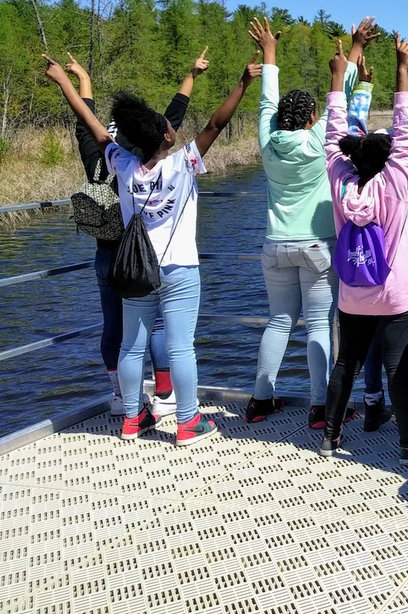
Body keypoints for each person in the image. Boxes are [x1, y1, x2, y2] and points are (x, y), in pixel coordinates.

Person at [43, 49, 262, 446]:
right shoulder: (183, 164)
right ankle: (188, 422)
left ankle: (131, 418)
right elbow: (216, 122)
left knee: (131, 345)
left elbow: (91, 124)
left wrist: (65, 84)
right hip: (179, 268)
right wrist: (244, 83)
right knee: (180, 347)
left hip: (134, 269)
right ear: (166, 135)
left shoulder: (121, 164)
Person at [319, 36, 408, 465]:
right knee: (398, 371)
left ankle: (331, 439)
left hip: (353, 293)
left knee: (345, 365)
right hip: (397, 295)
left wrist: (338, 80)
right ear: (391, 161)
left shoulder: (340, 183)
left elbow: (335, 135)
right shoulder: (394, 183)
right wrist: (402, 68)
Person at [244, 15, 371, 429]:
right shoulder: (320, 139)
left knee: (279, 321)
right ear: (311, 116)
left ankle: (261, 399)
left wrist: (270, 53)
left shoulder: (267, 141)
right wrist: (353, 52)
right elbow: (342, 103)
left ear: (281, 117)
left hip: (274, 245)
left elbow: (266, 100)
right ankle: (321, 406)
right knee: (319, 323)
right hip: (317, 244)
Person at [63, 50, 203, 417]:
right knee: (157, 326)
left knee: (117, 330)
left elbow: (84, 123)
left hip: (108, 256)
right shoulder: (137, 159)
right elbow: (174, 116)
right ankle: (166, 393)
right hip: (147, 256)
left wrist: (80, 83)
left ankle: (120, 398)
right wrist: (190, 75)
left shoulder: (99, 158)